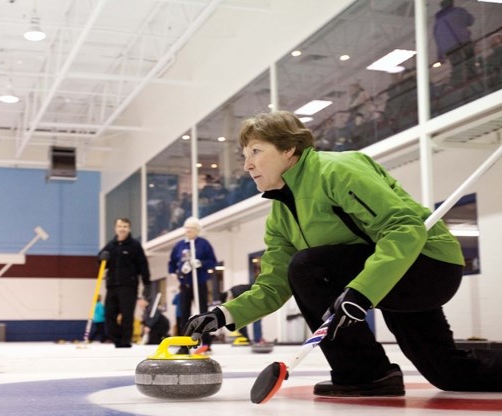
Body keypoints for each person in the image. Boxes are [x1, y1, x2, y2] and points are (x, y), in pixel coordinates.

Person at [185, 110, 502, 397]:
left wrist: (361, 292)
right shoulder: (281, 216)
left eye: (256, 151)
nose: (247, 164)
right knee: (450, 374)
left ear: (289, 149)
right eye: (245, 155)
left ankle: (364, 374)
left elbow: (404, 228)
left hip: (425, 265)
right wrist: (223, 315)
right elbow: (274, 284)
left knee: (307, 265)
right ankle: (379, 378)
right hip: (383, 274)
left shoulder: (336, 170)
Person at [99, 217, 151, 348]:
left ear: (129, 228)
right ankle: (116, 338)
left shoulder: (134, 246)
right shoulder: (110, 246)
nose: (122, 229)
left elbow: (143, 266)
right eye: (120, 226)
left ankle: (125, 341)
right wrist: (101, 258)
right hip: (112, 286)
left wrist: (147, 284)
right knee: (109, 314)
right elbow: (101, 264)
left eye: (125, 226)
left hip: (128, 286)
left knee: (127, 315)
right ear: (116, 228)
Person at [168, 217, 218, 349]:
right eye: (187, 227)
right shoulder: (179, 245)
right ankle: (185, 344)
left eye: (192, 228)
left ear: (197, 230)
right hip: (185, 285)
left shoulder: (203, 244)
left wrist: (201, 263)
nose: (188, 230)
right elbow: (172, 262)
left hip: (200, 283)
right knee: (184, 313)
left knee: (202, 313)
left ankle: (206, 343)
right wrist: (173, 272)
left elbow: (213, 261)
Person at [433, 0, 477, 88]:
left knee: (457, 67)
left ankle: (457, 87)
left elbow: (438, 42)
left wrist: (440, 57)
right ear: (451, 4)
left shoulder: (437, 24)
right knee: (470, 62)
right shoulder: (459, 11)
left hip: (450, 49)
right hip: (464, 42)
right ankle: (474, 81)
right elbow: (471, 21)